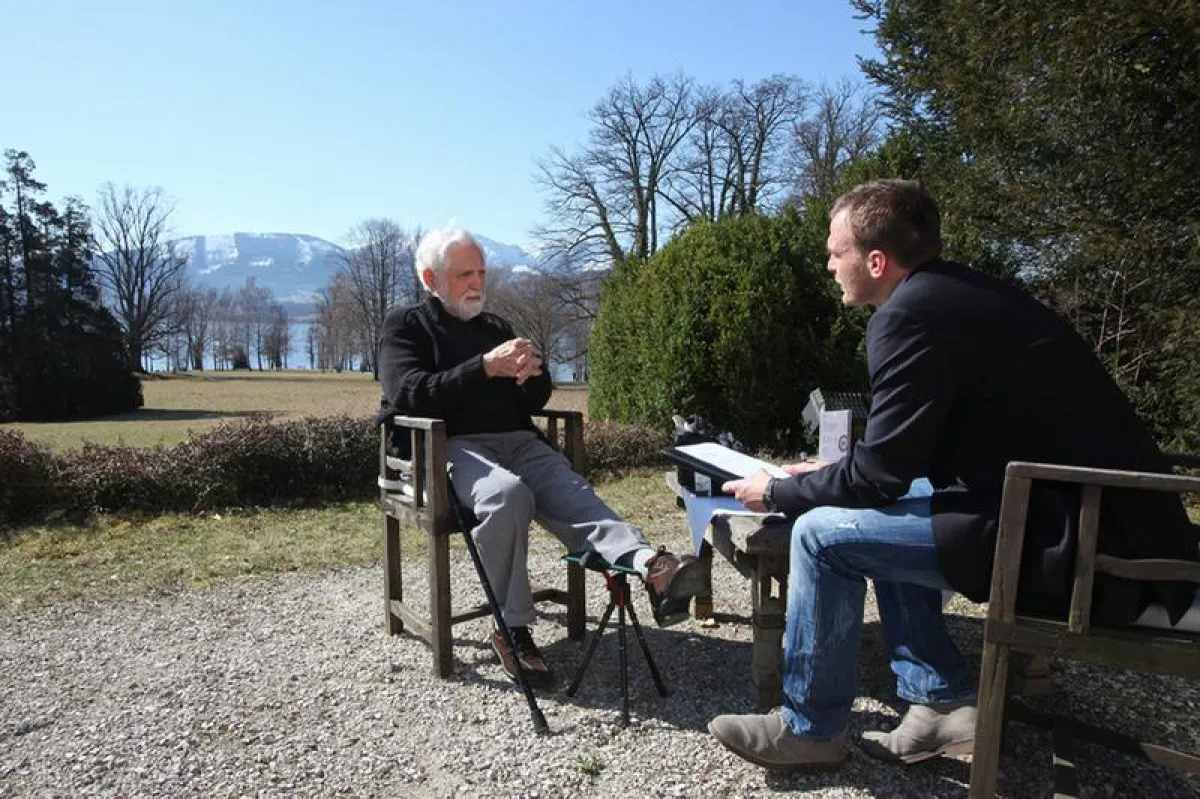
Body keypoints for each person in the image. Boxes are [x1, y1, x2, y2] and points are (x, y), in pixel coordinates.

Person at [709, 179, 1198, 772]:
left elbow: (879, 479)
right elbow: (912, 453)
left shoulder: (909, 316)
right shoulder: (955, 296)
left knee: (822, 536)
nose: (829, 263)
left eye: (835, 251)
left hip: (1084, 545)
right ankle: (940, 702)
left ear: (876, 260)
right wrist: (843, 467)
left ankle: (811, 729)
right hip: (1092, 515)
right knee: (891, 505)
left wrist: (780, 491)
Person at [377, 225, 706, 689]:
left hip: (519, 441)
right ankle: (512, 628)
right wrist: (485, 368)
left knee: (571, 490)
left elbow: (534, 400)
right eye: (464, 274)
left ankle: (651, 565)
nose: (477, 283)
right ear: (431, 278)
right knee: (506, 496)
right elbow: (410, 394)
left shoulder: (495, 327)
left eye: (481, 273)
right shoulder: (406, 327)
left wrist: (530, 374)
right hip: (449, 445)